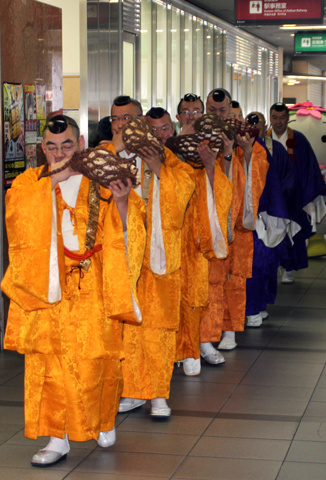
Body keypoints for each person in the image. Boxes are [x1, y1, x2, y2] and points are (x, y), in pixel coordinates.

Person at [1, 115, 145, 466]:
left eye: (67, 145)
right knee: (49, 363)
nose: (59, 152)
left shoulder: (103, 178)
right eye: (51, 146)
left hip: (94, 283)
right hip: (48, 285)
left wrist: (124, 203)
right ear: (42, 149)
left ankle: (103, 420)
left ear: (81, 145)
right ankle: (56, 437)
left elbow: (132, 227)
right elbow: (16, 212)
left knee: (97, 359)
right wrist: (54, 181)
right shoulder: (31, 181)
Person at [105, 97, 195, 418]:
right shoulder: (104, 155)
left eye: (126, 118)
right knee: (127, 325)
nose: (120, 125)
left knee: (157, 326)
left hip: (157, 255)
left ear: (140, 120)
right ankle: (131, 391)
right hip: (121, 253)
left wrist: (157, 168)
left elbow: (185, 185)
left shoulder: (162, 154)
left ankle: (158, 392)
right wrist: (113, 152)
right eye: (115, 119)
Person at [200, 89, 269, 356]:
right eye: (212, 110)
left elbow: (257, 174)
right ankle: (206, 334)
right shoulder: (200, 138)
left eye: (222, 110)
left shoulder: (243, 139)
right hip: (207, 223)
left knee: (233, 279)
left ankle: (229, 329)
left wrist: (247, 151)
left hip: (235, 224)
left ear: (230, 109)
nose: (217, 115)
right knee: (207, 281)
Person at [170, 115, 233, 376]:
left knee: (200, 294)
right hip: (170, 242)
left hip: (198, 244)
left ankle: (199, 344)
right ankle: (177, 349)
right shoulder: (168, 160)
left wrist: (209, 167)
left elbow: (223, 194)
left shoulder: (210, 164)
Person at [244, 112, 297, 327]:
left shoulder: (266, 148)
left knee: (261, 264)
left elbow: (282, 178)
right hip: (237, 215)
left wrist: (274, 204)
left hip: (262, 213)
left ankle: (256, 306)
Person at [266, 102, 326, 284]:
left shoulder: (298, 139)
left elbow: (309, 167)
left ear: (287, 118)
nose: (278, 122)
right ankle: (273, 265)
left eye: (282, 117)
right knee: (270, 230)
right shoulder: (264, 139)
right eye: (275, 117)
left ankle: (289, 269)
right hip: (270, 194)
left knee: (293, 231)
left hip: (293, 193)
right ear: (270, 118)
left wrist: (309, 192)